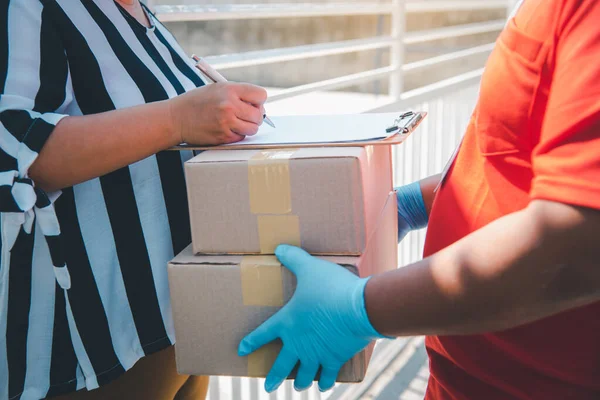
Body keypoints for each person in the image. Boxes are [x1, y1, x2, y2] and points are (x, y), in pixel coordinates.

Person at [239, 0, 600, 398]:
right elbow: (516, 155)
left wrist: (359, 310)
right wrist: (420, 202)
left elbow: (582, 248)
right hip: (466, 377)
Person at [0, 0, 267, 399]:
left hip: (181, 317)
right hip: (95, 344)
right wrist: (178, 118)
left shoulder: (142, 13)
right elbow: (13, 144)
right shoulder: (31, 7)